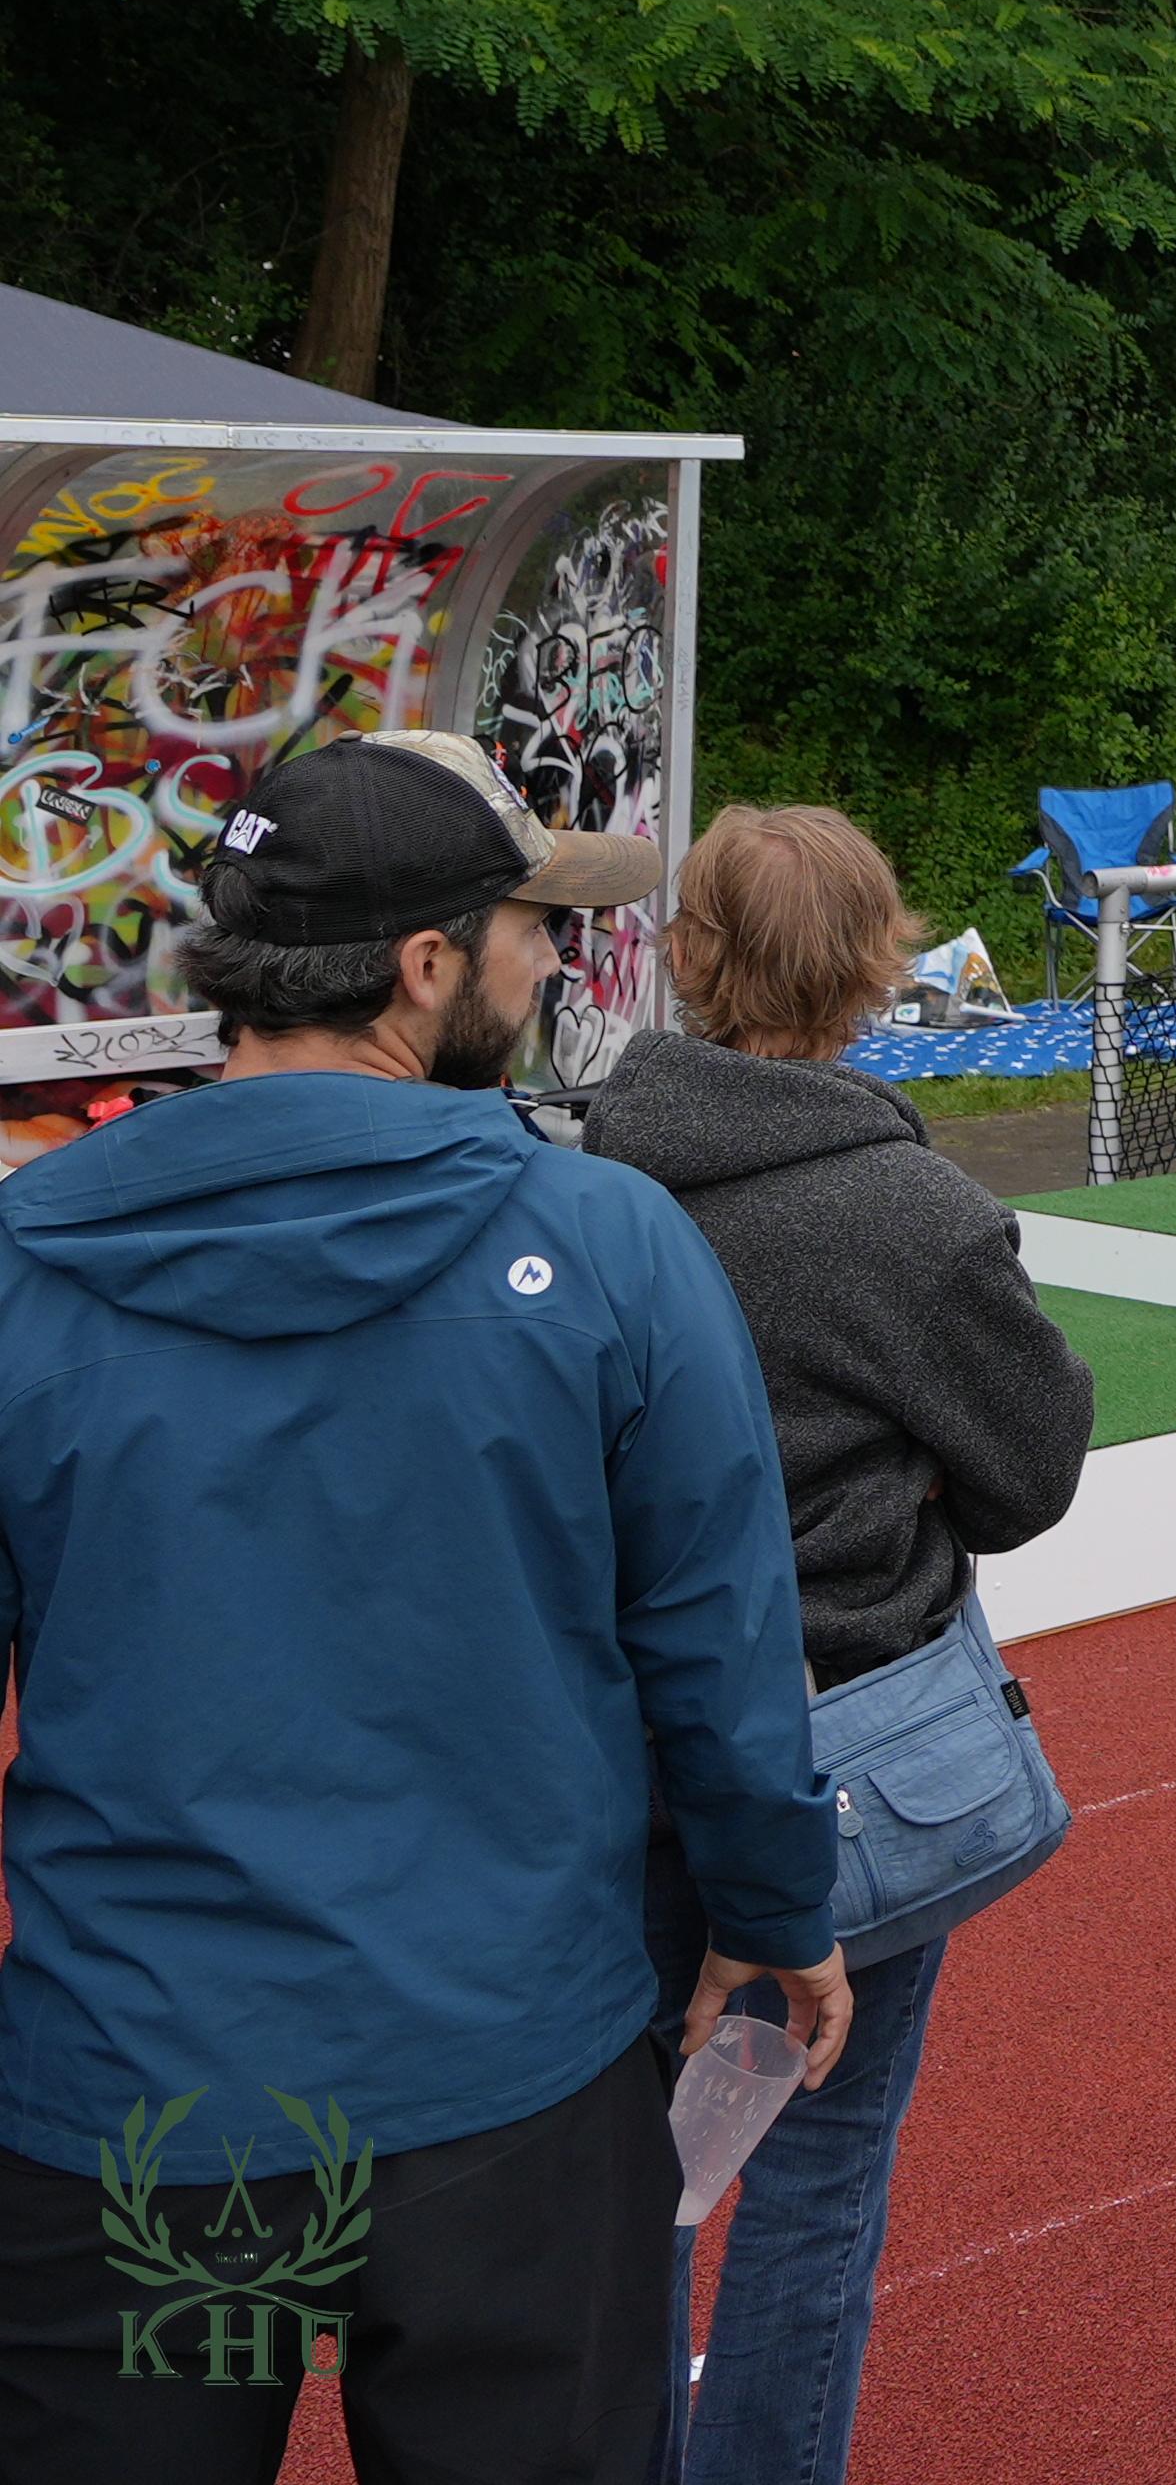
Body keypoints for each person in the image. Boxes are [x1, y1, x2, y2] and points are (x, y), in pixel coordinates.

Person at [0, 732, 837, 2485]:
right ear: (427, 964)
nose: (554, 965)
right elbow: (720, 1644)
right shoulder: (607, 1242)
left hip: (145, 2095)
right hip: (506, 2094)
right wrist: (774, 1907)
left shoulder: (27, 1259)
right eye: (529, 928)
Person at [577, 808, 1099, 2485]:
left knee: (629, 2179)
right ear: (882, 964)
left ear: (686, 954)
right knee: (815, 2171)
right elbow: (1028, 1470)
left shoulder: (574, 1183)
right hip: (842, 1756)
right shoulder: (917, 1212)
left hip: (608, 1753)